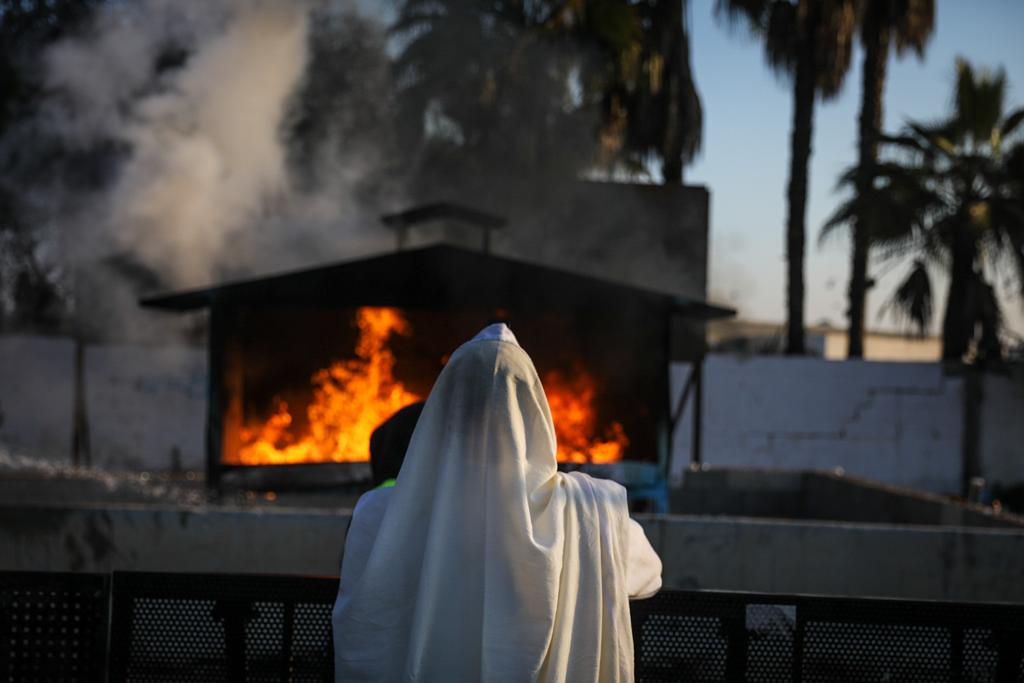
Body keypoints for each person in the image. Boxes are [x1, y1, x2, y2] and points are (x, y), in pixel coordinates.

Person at [332, 323, 661, 682]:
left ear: (442, 411)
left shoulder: (378, 513)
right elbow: (648, 576)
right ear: (534, 411)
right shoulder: (592, 511)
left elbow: (363, 624)